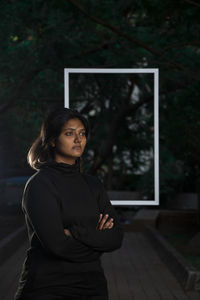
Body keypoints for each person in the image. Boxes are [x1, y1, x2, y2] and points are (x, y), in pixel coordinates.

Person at [14, 107, 124, 300]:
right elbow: (57, 246)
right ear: (52, 140)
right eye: (69, 133)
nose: (78, 139)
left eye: (82, 133)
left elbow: (115, 237)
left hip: (93, 287)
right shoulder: (40, 184)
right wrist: (97, 241)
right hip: (47, 287)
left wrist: (74, 233)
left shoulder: (93, 185)